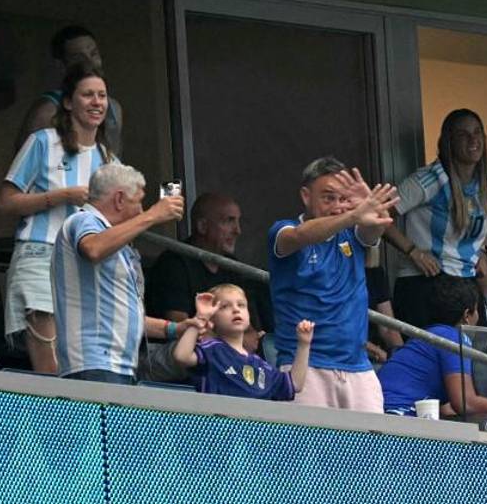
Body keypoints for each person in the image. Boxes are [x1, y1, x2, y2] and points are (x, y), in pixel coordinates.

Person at [0, 63, 115, 374]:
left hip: (85, 266)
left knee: (82, 365)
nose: (96, 102)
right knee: (51, 370)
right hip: (40, 254)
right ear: (67, 102)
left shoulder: (107, 158)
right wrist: (62, 196)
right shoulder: (42, 142)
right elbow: (7, 202)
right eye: (87, 95)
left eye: (102, 96)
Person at [268, 157, 397, 410]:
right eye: (328, 198)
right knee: (312, 449)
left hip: (358, 365)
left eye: (343, 199)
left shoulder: (351, 234)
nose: (338, 207)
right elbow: (301, 236)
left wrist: (370, 206)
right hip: (305, 365)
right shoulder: (283, 229)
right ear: (306, 196)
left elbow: (375, 228)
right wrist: (353, 215)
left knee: (372, 446)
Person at [51, 163, 185, 383]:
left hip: (115, 365)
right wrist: (152, 215)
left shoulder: (115, 242)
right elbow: (92, 249)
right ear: (119, 199)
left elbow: (124, 316)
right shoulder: (83, 220)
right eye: (139, 201)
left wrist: (174, 329)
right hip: (94, 362)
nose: (142, 209)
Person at [386, 109, 487, 328]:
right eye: (463, 134)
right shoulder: (429, 180)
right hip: (424, 284)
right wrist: (413, 251)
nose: (473, 139)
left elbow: (486, 219)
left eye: (477, 132)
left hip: (465, 282)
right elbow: (377, 214)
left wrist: (482, 252)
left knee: (471, 358)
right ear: (449, 141)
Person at [379, 275, 487, 421]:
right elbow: (464, 403)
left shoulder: (436, 334)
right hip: (396, 415)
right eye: (477, 310)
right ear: (466, 315)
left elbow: (449, 408)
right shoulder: (453, 337)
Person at [145, 191, 273, 348]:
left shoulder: (233, 266)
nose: (237, 230)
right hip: (185, 355)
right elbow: (180, 329)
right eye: (229, 221)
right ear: (202, 226)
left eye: (238, 222)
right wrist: (230, 343)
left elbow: (251, 334)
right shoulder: (174, 263)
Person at [173, 285, 311, 400]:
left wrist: (304, 344)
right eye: (225, 306)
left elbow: (295, 384)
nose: (235, 309)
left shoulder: (260, 364)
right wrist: (200, 319)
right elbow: (181, 356)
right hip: (218, 430)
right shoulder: (211, 350)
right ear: (212, 319)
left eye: (241, 305)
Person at [16, 25, 123, 156]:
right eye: (78, 58)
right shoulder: (47, 112)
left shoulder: (113, 108)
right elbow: (24, 170)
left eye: (94, 54)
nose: (89, 62)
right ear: (61, 65)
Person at [364, 261, 403, 365]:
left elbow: (389, 329)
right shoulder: (331, 272)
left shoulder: (373, 271)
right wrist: (376, 351)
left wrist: (402, 359)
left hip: (375, 356)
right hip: (341, 354)